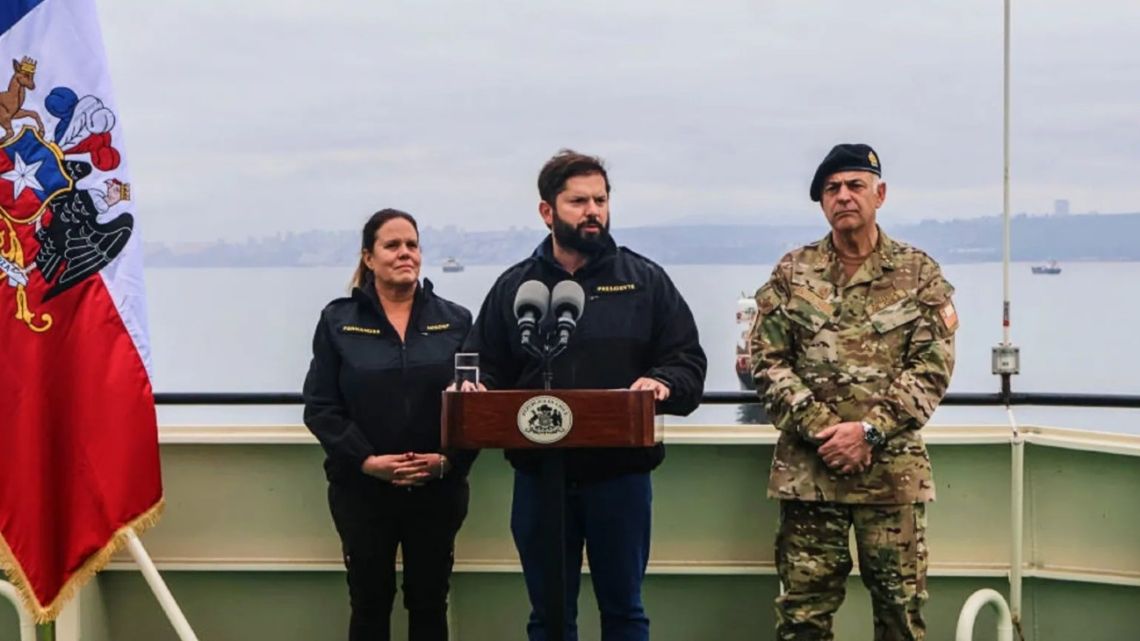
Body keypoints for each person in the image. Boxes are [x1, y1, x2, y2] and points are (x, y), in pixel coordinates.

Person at [462, 149, 707, 641]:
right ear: (547, 211)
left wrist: (662, 382)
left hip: (620, 478)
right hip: (539, 477)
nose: (593, 210)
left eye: (600, 199)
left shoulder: (645, 281)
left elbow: (688, 363)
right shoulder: (516, 287)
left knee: (625, 613)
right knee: (550, 617)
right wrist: (474, 387)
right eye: (578, 201)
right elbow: (482, 363)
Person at [749, 144, 958, 641]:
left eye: (855, 185)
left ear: (879, 194)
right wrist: (827, 430)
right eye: (831, 189)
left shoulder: (918, 273)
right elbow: (767, 361)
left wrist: (869, 431)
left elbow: (932, 367)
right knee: (803, 618)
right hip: (810, 476)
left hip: (890, 477)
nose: (843, 196)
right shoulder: (792, 273)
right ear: (822, 203)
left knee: (900, 615)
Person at [303, 208, 477, 641]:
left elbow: (475, 408)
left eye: (412, 245)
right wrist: (366, 461)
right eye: (392, 245)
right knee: (369, 602)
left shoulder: (455, 321)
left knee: (429, 602)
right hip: (362, 492)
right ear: (369, 257)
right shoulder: (338, 321)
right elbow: (321, 406)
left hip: (436, 490)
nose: (405, 254)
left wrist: (447, 461)